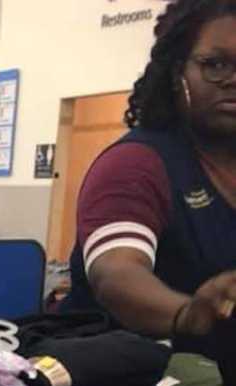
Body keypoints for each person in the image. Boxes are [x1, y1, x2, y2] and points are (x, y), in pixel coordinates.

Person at [67, 0, 236, 363]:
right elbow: (117, 273)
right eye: (216, 65)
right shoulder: (135, 164)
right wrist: (187, 313)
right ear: (178, 74)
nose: (233, 80)